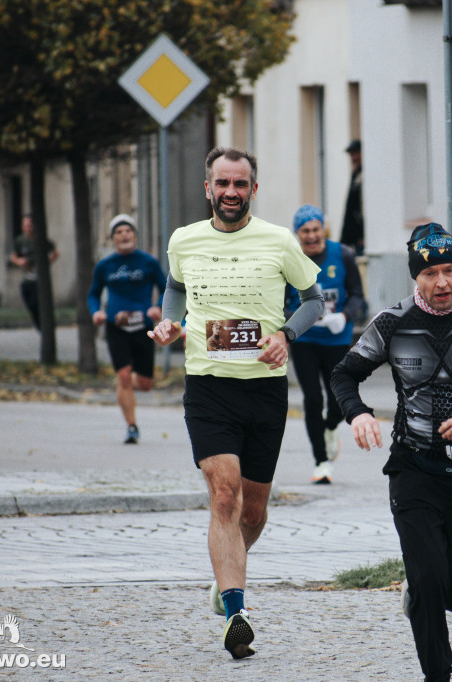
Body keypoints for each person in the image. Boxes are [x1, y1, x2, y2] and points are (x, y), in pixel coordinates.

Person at [147, 147, 323, 659]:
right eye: (222, 183)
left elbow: (315, 300)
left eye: (240, 184)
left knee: (254, 510)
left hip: (264, 389)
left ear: (253, 189)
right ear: (208, 188)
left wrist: (286, 334)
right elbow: (175, 288)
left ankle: (227, 573)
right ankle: (235, 609)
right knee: (225, 496)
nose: (230, 192)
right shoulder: (184, 239)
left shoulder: (279, 240)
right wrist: (170, 321)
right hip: (208, 386)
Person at [331, 223, 452, 682]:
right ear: (415, 277)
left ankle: (433, 594)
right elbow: (343, 374)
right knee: (427, 580)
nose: (442, 282)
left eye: (450, 270)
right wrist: (358, 414)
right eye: (430, 273)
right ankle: (437, 675)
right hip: (414, 467)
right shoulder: (392, 322)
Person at [285, 203, 365, 484]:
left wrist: (344, 317)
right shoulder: (290, 259)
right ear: (297, 234)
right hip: (304, 339)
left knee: (338, 400)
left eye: (316, 229)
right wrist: (301, 317)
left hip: (337, 338)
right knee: (313, 399)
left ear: (324, 229)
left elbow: (357, 295)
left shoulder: (342, 254)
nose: (311, 236)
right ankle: (321, 462)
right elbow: (280, 303)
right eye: (305, 231)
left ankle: (330, 427)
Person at [88, 214, 166, 445]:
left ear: (134, 235)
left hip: (143, 327)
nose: (124, 235)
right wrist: (96, 312)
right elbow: (93, 293)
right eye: (119, 232)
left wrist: (158, 307)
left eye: (128, 231)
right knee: (123, 375)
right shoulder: (105, 266)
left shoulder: (148, 262)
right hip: (116, 327)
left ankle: (124, 383)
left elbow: (166, 288)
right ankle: (132, 427)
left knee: (145, 384)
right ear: (113, 238)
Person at [9, 213, 59, 330]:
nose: (28, 228)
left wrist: (45, 263)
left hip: (39, 279)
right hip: (27, 278)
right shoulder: (20, 241)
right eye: (26, 225)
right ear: (22, 227)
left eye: (30, 225)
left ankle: (46, 328)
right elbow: (13, 257)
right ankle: (41, 327)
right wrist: (19, 261)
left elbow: (55, 252)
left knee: (39, 304)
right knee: (31, 304)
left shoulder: (41, 239)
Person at [340, 139, 364, 255]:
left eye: (356, 154)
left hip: (361, 238)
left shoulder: (364, 175)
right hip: (353, 238)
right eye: (351, 155)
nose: (353, 158)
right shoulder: (356, 174)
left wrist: (363, 235)